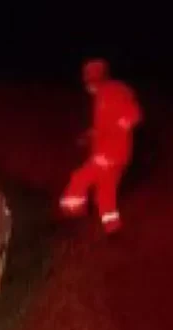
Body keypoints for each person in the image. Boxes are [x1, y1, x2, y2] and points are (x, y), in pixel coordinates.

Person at [59, 58, 143, 235]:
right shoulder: (109, 93)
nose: (86, 83)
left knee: (79, 179)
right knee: (105, 192)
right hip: (117, 155)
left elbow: (132, 115)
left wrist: (117, 132)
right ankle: (113, 228)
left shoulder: (109, 93)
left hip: (109, 155)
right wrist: (92, 135)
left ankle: (71, 216)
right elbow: (108, 124)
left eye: (87, 78)